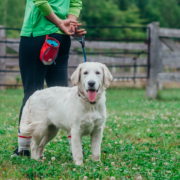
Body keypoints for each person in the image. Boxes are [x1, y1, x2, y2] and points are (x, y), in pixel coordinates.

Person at [14, 0, 86, 156]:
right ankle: (76, 148)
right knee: (64, 93)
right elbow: (75, 2)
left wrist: (61, 22)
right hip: (61, 38)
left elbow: (40, 1)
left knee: (32, 92)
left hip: (37, 35)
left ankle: (24, 148)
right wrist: (69, 23)